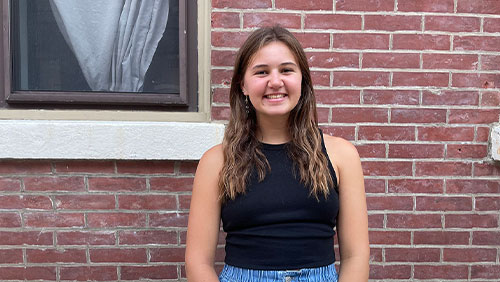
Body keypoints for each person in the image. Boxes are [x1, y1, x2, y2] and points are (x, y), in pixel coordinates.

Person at [185, 25, 369, 282]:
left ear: (302, 81)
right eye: (261, 72)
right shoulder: (216, 161)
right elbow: (198, 262)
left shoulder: (341, 155)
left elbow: (356, 257)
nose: (275, 82)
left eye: (286, 70)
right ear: (243, 85)